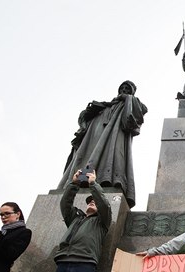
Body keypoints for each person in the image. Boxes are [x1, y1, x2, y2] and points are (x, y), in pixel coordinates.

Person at [43, 169, 112, 272]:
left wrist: (93, 184)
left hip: (85, 265)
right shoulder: (75, 218)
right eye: (89, 201)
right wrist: (73, 183)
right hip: (63, 265)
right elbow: (65, 204)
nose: (91, 202)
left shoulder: (102, 222)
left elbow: (104, 204)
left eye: (94, 201)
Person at [59, 80, 148, 208]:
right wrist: (89, 113)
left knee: (113, 157)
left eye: (127, 89)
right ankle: (81, 180)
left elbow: (141, 112)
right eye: (122, 88)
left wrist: (129, 98)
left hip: (114, 134)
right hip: (95, 133)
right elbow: (85, 118)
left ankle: (105, 181)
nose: (124, 90)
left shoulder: (131, 102)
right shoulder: (107, 105)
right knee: (87, 156)